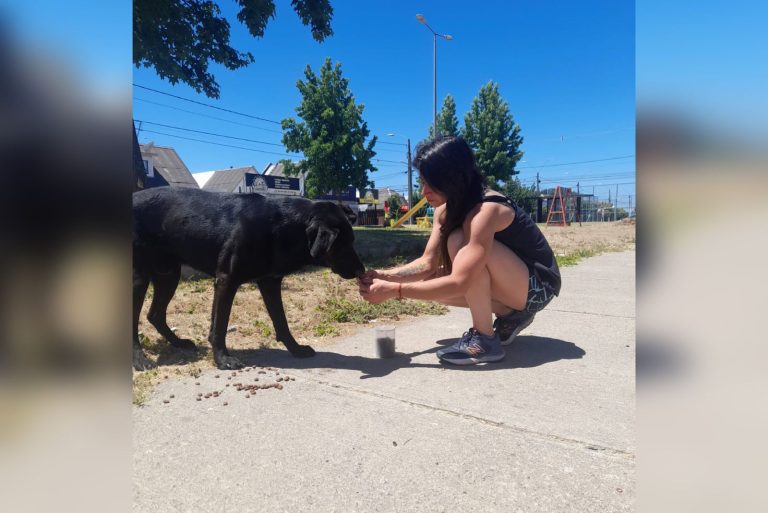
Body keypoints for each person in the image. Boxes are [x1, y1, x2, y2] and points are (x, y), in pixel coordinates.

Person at [358, 136, 561, 365]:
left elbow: (461, 282)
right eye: (422, 182)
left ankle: (485, 341)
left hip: (538, 288)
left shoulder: (486, 210)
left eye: (431, 183)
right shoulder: (445, 210)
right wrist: (384, 276)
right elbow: (427, 264)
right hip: (515, 284)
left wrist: (395, 291)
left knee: (457, 242)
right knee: (431, 282)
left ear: (453, 179)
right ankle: (511, 314)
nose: (424, 191)